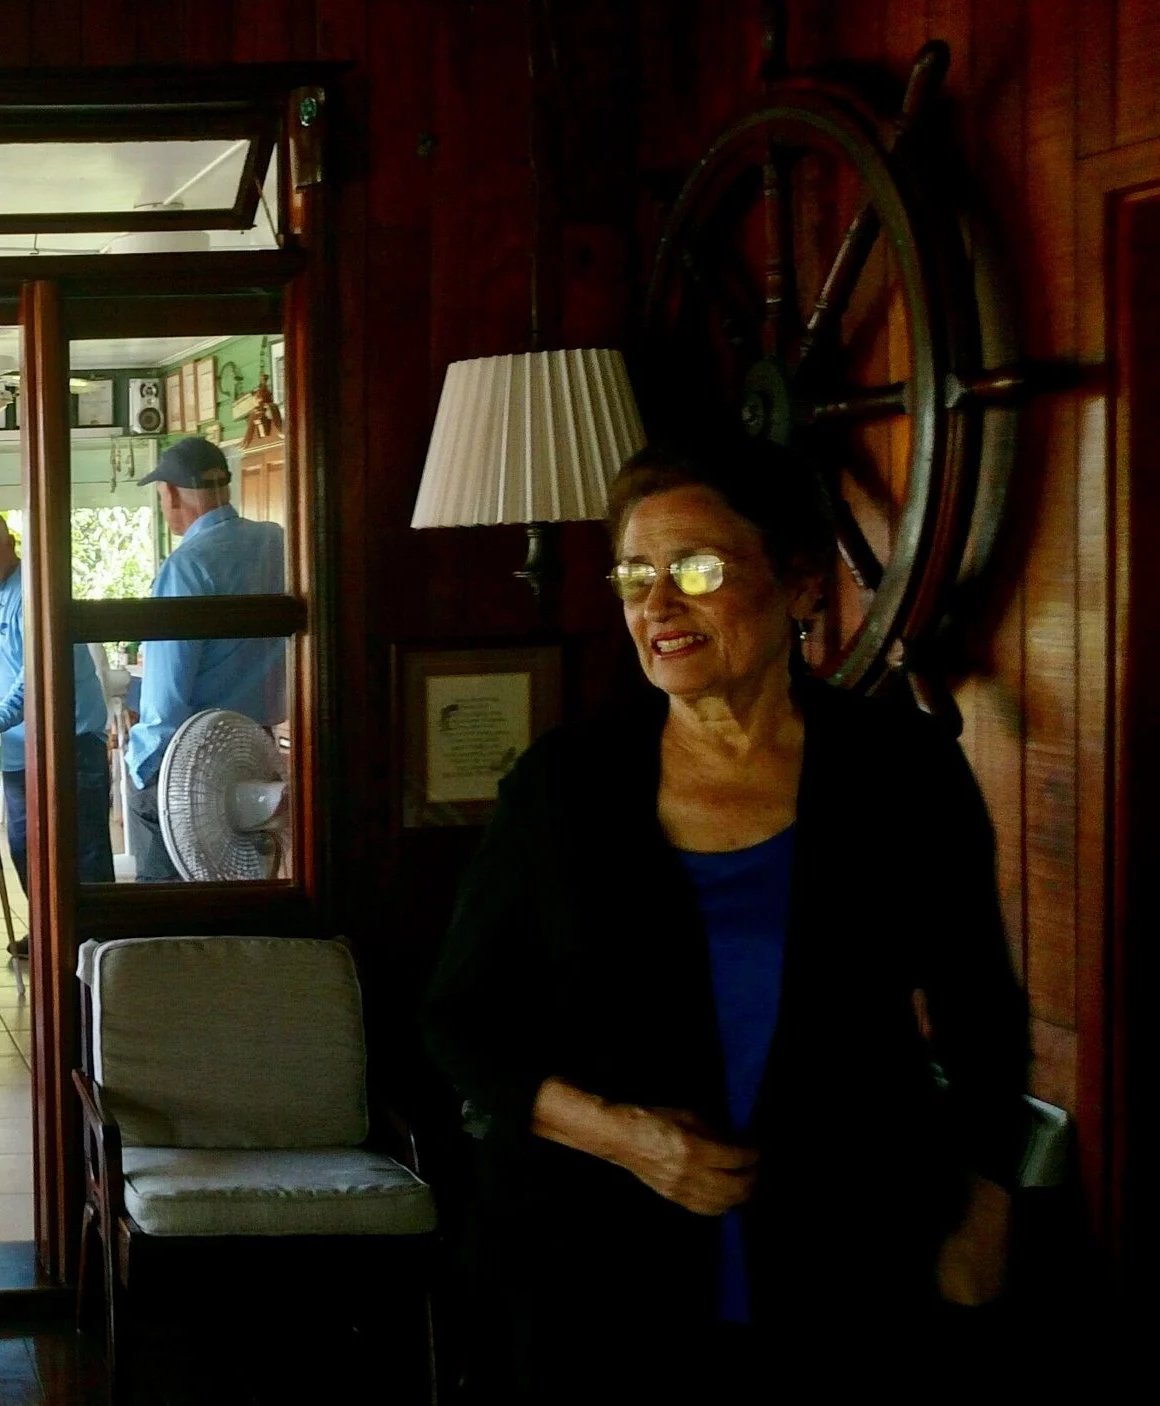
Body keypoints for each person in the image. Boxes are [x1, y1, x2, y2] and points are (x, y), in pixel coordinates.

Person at [419, 439, 1028, 1397]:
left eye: (696, 569)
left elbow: (984, 1016)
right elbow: (460, 1023)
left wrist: (986, 1210)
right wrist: (631, 1139)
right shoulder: (565, 787)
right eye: (635, 575)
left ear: (796, 584)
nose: (657, 605)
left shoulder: (901, 773)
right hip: (594, 1272)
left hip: (852, 1264)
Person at [0, 510, 115, 955]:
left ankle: (101, 942)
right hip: (22, 744)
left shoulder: (36, 592)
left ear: (10, 544)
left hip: (71, 737)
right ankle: (52, 931)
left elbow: (35, 673)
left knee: (85, 846)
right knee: (25, 846)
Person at [122, 437, 287, 879]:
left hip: (190, 767)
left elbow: (167, 696)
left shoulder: (187, 565)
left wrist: (141, 767)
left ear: (172, 494)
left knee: (166, 905)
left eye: (161, 497)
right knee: (240, 889)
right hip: (258, 754)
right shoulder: (278, 543)